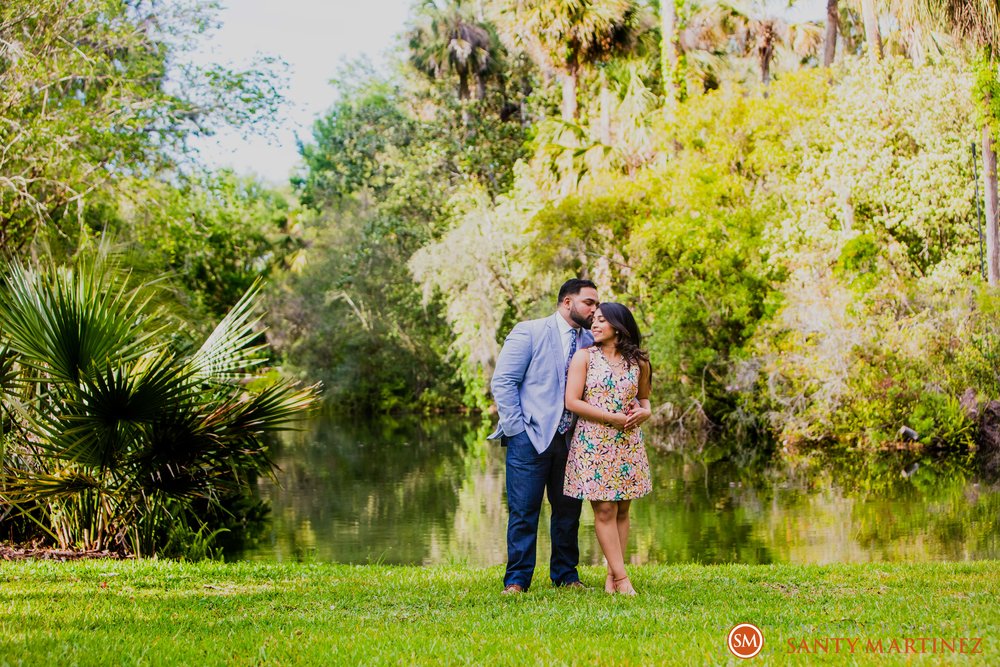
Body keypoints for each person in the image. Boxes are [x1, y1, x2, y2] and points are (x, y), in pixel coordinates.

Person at [489, 278, 599, 594]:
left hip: (572, 439)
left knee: (568, 512)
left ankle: (566, 576)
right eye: (588, 302)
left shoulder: (592, 341)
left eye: (595, 303)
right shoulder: (530, 332)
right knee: (524, 512)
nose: (594, 309)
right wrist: (517, 430)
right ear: (567, 302)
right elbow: (504, 382)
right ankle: (517, 580)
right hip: (530, 438)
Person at [563, 302, 652, 596]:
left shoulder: (638, 362)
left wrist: (645, 413)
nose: (595, 325)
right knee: (604, 509)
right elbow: (572, 402)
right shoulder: (584, 357)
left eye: (602, 320)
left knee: (623, 509)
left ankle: (612, 576)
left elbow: (645, 400)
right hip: (593, 442)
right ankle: (623, 579)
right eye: (594, 320)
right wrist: (610, 417)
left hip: (628, 441)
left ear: (619, 325)